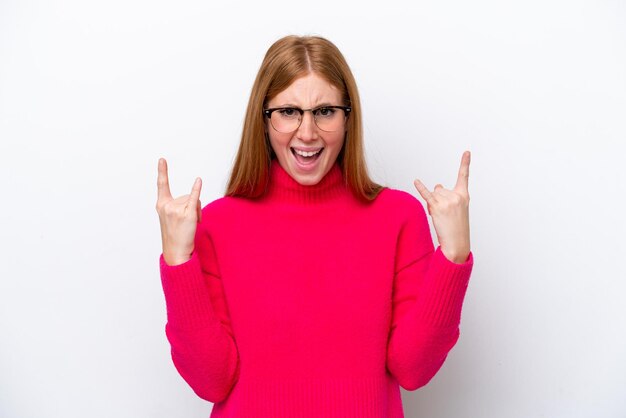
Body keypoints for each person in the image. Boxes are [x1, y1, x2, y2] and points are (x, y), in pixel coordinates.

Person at [155, 35, 474, 418]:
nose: (307, 133)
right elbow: (211, 380)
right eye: (289, 111)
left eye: (325, 111)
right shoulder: (215, 225)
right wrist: (177, 262)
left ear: (348, 117)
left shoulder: (398, 217)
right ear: (265, 118)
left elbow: (412, 369)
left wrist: (453, 259)